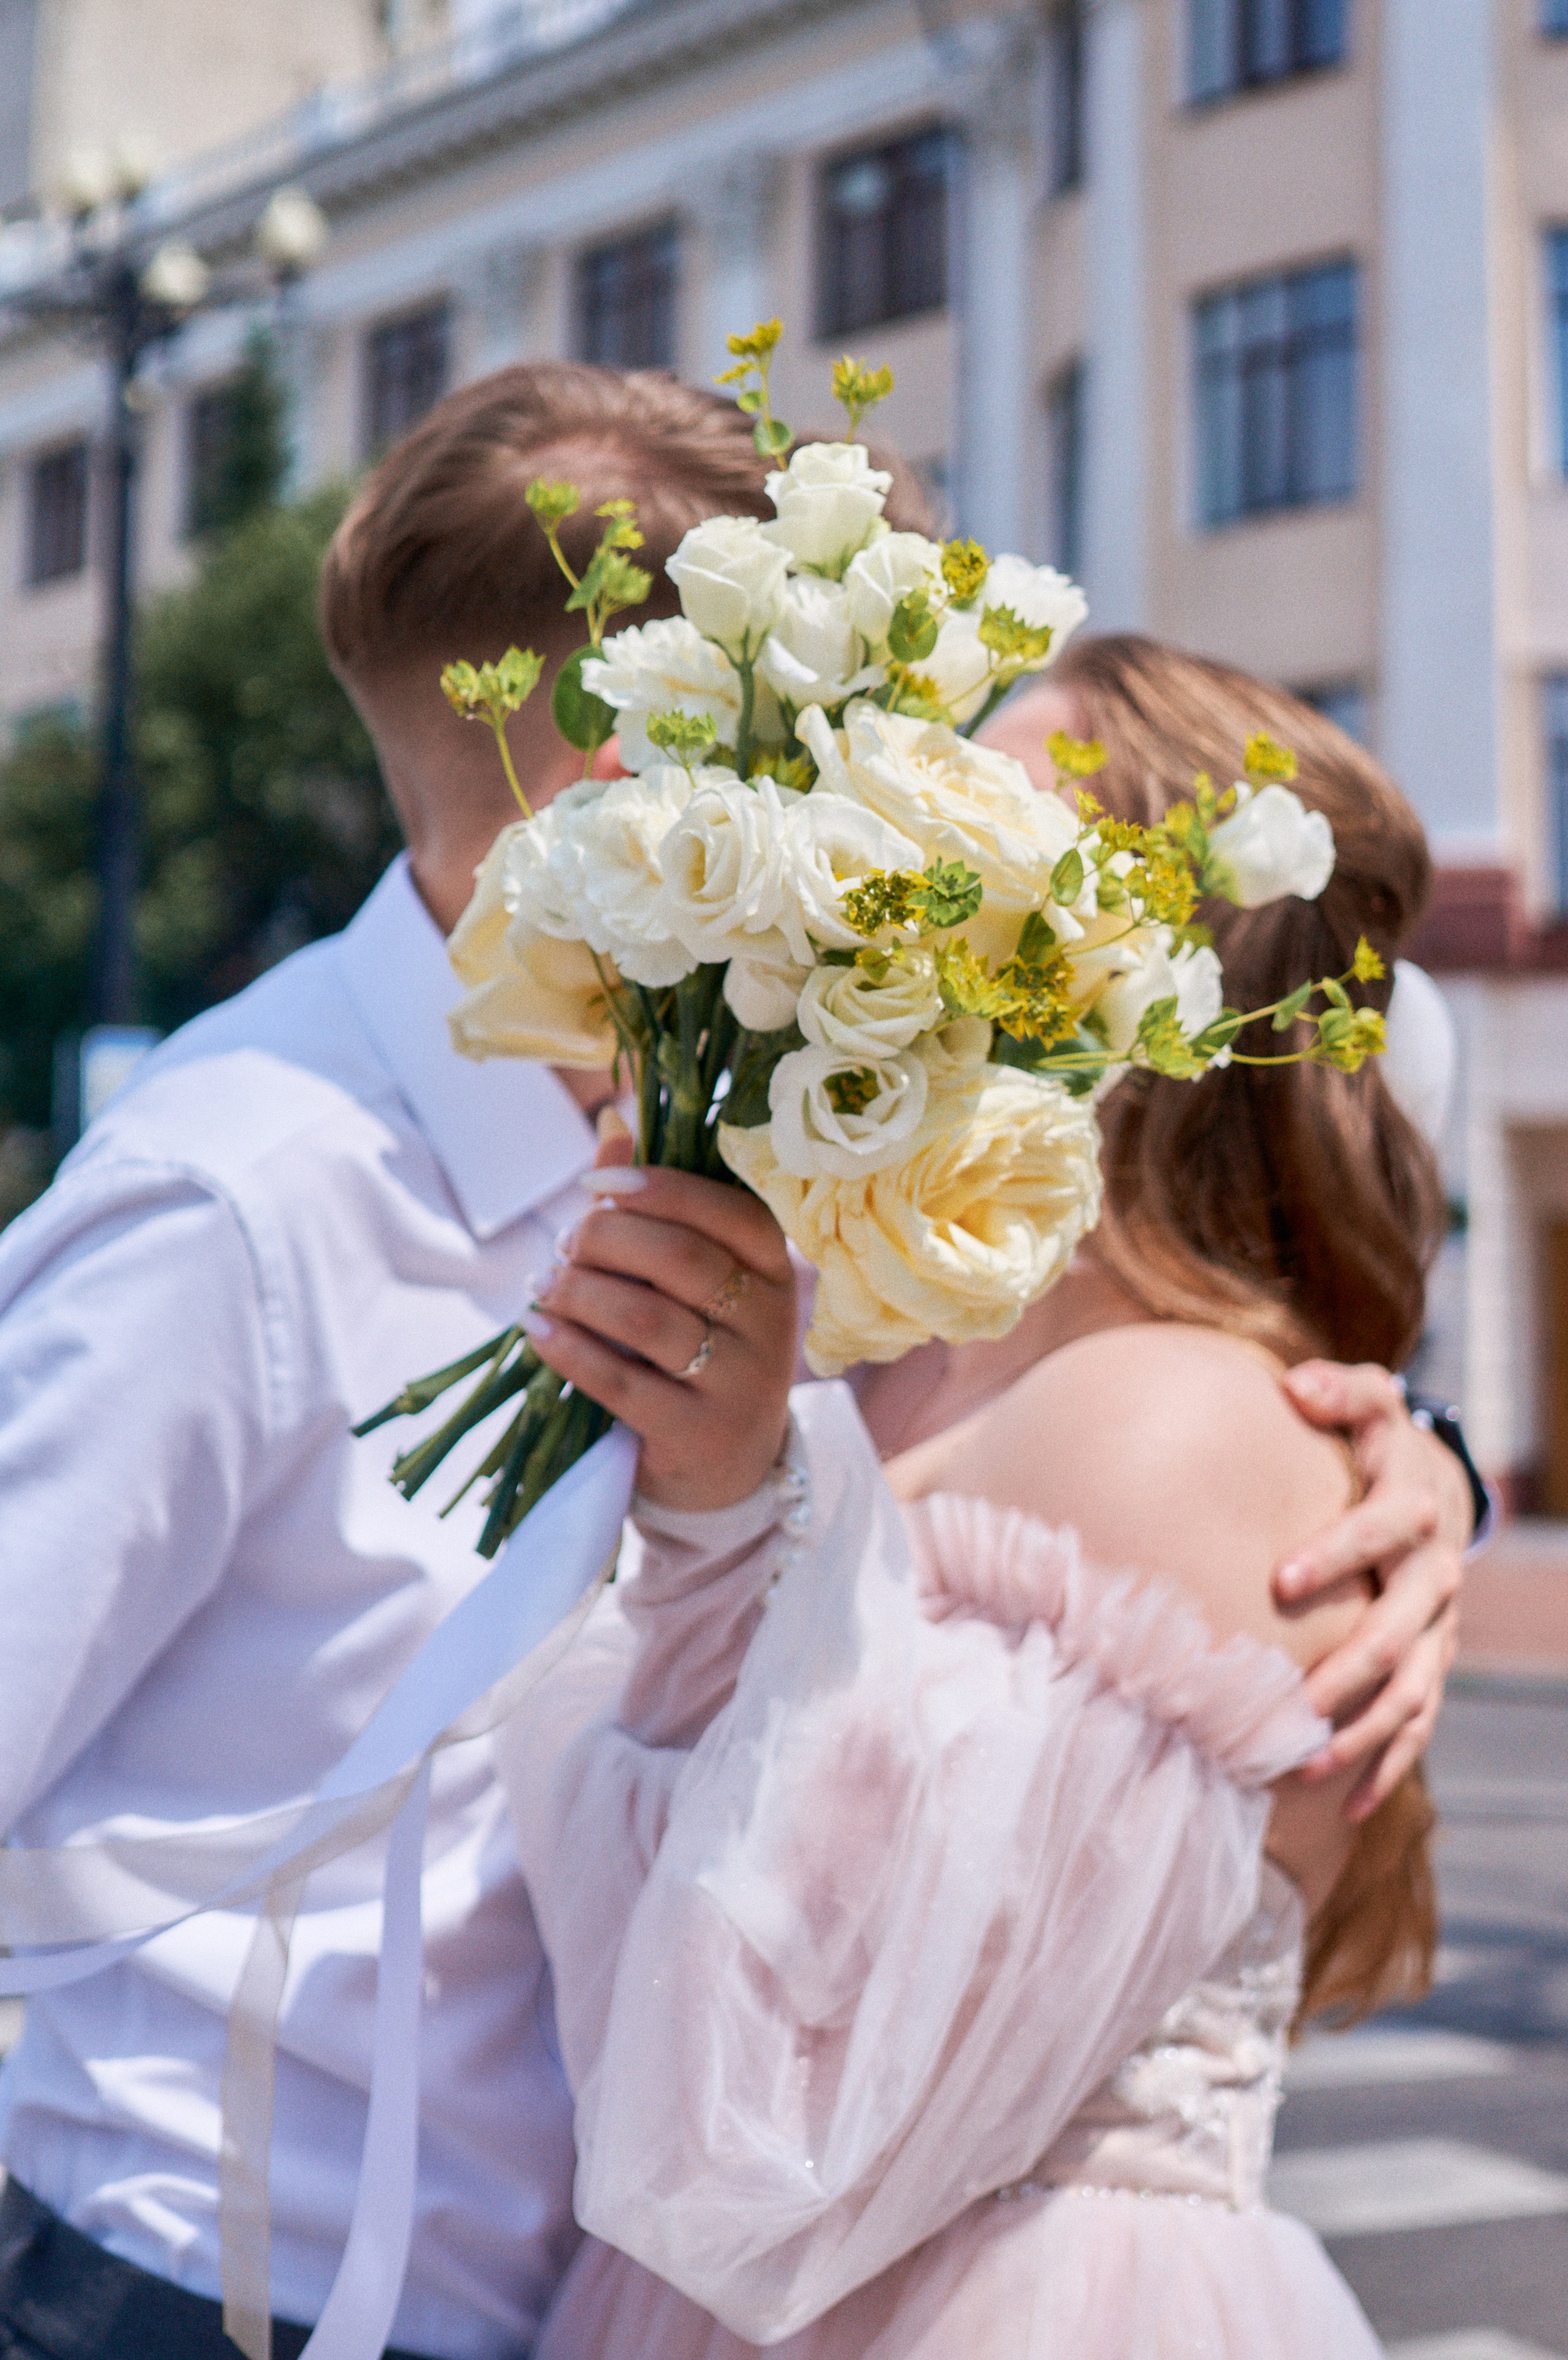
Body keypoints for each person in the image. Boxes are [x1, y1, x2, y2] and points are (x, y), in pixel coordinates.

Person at [0, 363, 927, 2360]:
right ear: (642, 784)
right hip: (190, 2293)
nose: (883, 842)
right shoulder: (233, 1198)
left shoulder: (749, 1146)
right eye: (842, 764)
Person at [494, 641, 1468, 2358]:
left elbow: (798, 2101)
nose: (892, 883)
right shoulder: (917, 1365)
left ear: (1157, 960)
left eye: (983, 836)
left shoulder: (1163, 1417)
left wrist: (727, 1527)